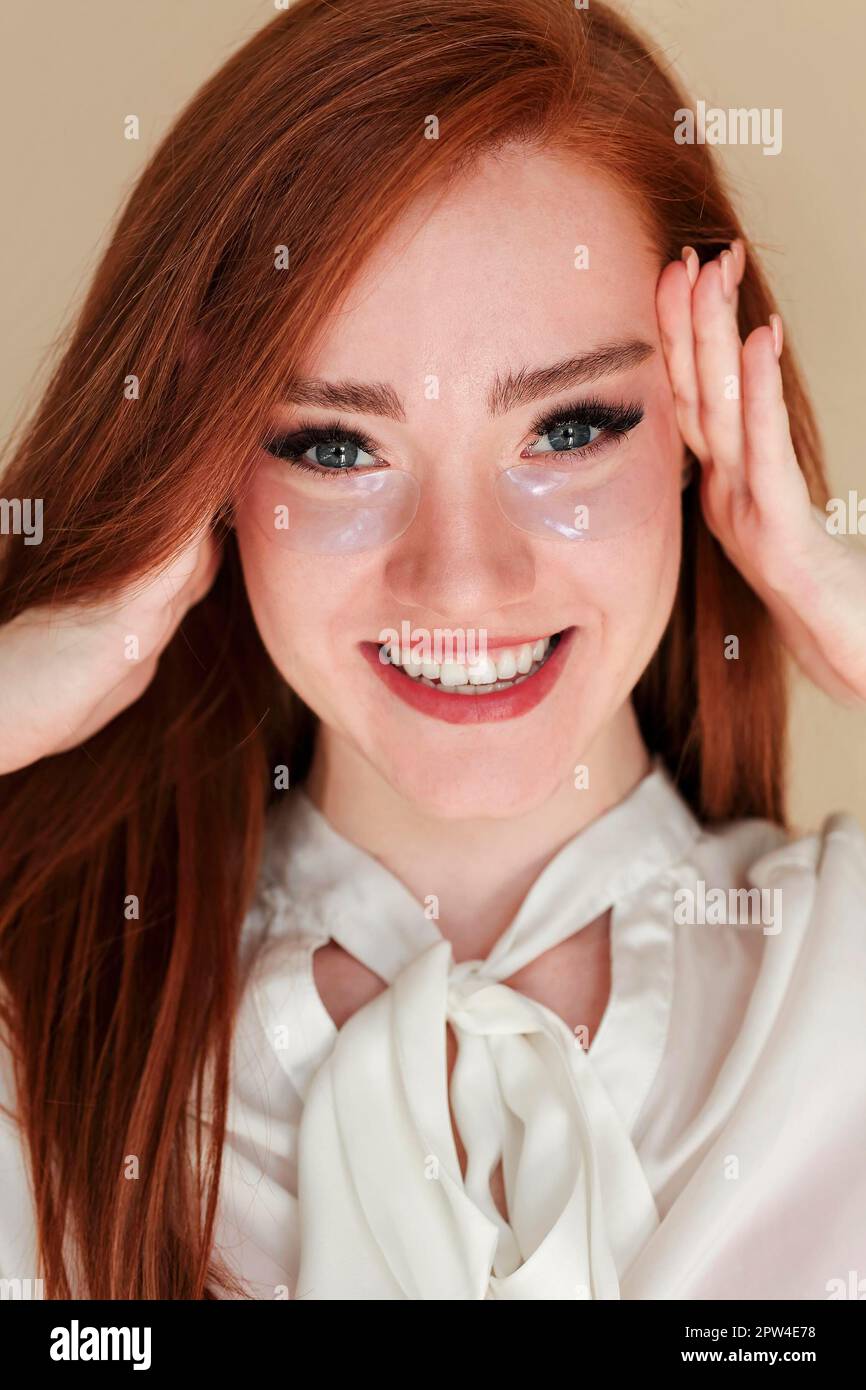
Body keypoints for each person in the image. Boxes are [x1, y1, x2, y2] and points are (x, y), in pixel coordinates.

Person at [1, 0, 864, 1301]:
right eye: (335, 446)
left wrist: (830, 594)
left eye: (570, 426)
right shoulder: (41, 1036)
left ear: (700, 429)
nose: (461, 573)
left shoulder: (839, 992)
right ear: (208, 476)